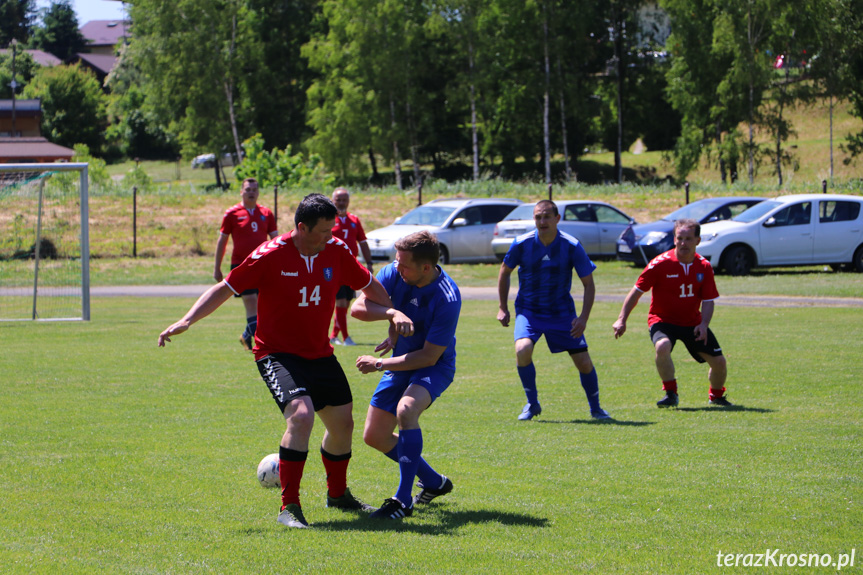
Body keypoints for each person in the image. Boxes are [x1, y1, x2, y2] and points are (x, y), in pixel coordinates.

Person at [159, 193, 400, 529]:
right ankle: (290, 507)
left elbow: (370, 286)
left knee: (343, 424)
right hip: (277, 353)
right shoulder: (270, 254)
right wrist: (188, 319)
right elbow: (226, 288)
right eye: (322, 231)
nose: (329, 237)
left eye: (332, 230)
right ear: (301, 227)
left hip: (320, 353)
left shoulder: (336, 251)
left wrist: (392, 315)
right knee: (301, 417)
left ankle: (338, 494)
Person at [352, 231, 460, 520]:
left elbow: (428, 356)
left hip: (432, 365)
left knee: (406, 409)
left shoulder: (447, 297)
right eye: (396, 262)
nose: (396, 269)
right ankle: (435, 482)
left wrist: (379, 364)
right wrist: (392, 313)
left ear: (426, 268)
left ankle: (403, 500)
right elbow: (358, 307)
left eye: (404, 265)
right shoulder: (395, 271)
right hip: (401, 359)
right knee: (374, 436)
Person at [497, 200, 610, 421]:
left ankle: (596, 408)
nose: (542, 221)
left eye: (547, 216)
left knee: (584, 363)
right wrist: (503, 307)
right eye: (538, 217)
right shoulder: (521, 243)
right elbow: (504, 271)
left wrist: (583, 318)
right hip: (529, 312)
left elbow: (589, 283)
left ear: (557, 219)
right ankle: (532, 404)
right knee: (522, 349)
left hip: (562, 314)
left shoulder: (571, 245)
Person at [612, 218, 731, 408]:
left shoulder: (704, 267)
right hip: (663, 320)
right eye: (679, 238)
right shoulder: (659, 264)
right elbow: (636, 291)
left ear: (698, 241)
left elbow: (708, 301)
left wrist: (704, 324)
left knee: (719, 363)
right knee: (662, 346)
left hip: (693, 322)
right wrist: (621, 319)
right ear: (674, 239)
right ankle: (670, 393)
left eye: (688, 239)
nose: (683, 243)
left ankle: (716, 396)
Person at [213, 178, 279, 351]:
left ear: (258, 192)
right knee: (250, 300)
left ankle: (246, 335)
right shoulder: (232, 213)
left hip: (264, 265)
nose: (251, 192)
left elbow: (276, 240)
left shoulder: (266, 213)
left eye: (255, 189)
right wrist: (217, 267)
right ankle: (260, 342)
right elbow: (222, 241)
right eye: (248, 189)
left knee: (264, 305)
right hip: (241, 265)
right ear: (241, 191)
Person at [329, 187, 374, 346]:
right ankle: (346, 337)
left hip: (351, 266)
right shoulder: (328, 219)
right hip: (335, 267)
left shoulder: (354, 220)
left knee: (346, 302)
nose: (341, 203)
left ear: (348, 201)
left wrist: (369, 262)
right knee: (340, 301)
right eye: (338, 200)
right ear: (333, 200)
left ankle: (334, 336)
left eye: (344, 200)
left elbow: (362, 242)